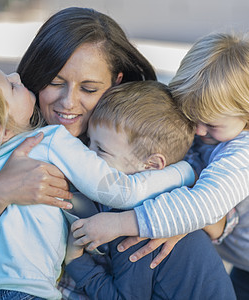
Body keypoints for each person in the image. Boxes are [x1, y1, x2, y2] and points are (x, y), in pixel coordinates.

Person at [0, 7, 182, 298]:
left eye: (88, 89)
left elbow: (218, 221)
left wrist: (176, 217)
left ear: (116, 82)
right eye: (55, 83)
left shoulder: (150, 131)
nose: (68, 102)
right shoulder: (15, 132)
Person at [69, 32, 249, 300]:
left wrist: (119, 224)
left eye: (210, 124)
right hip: (247, 266)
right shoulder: (209, 128)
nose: (197, 130)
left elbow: (202, 206)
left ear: (248, 111)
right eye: (191, 116)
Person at [64, 80, 236, 299]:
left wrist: (76, 262)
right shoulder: (178, 195)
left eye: (100, 150)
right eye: (89, 142)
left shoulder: (137, 224)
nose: (87, 155)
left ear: (152, 165)